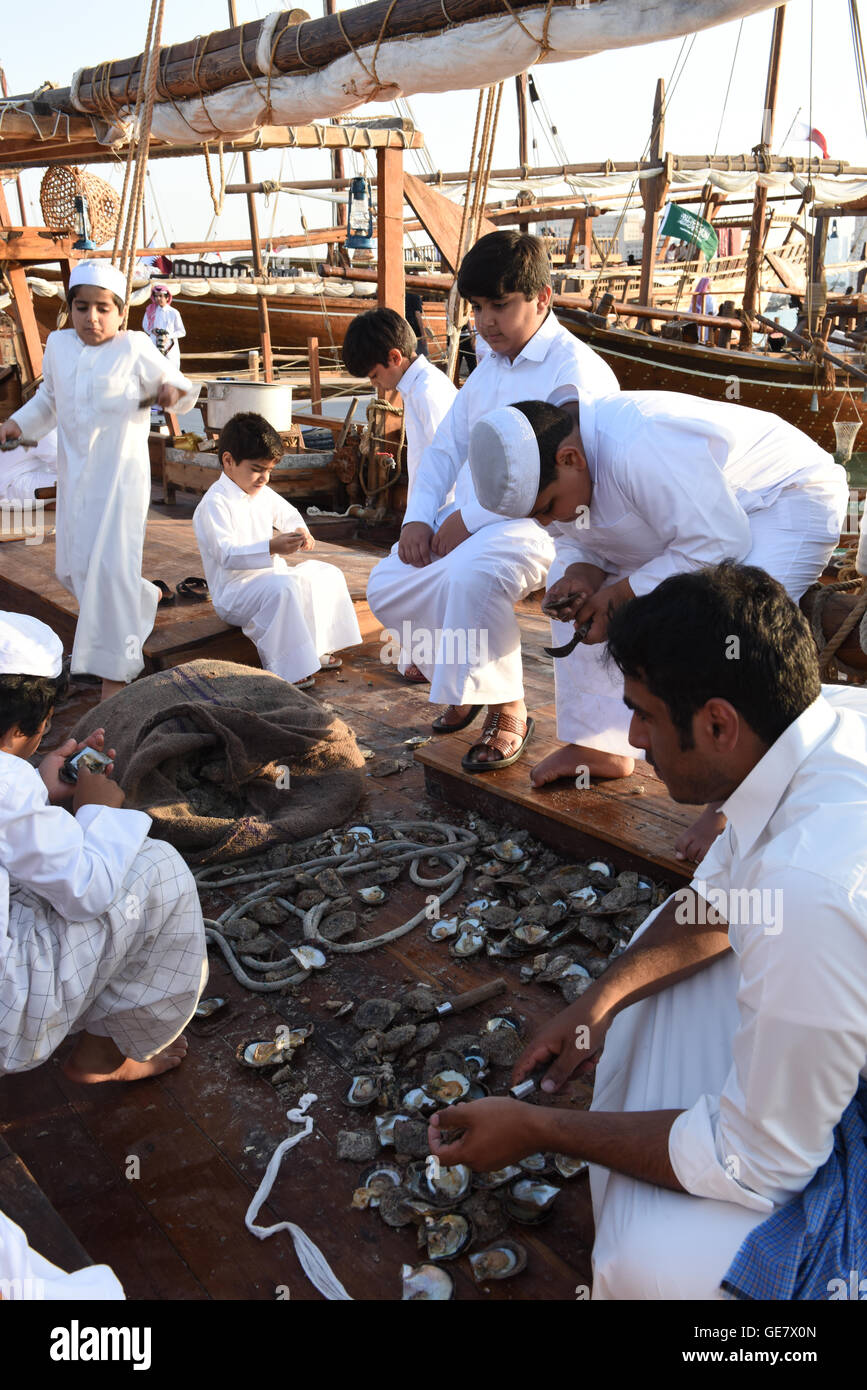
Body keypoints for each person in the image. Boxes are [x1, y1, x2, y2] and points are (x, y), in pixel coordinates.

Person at [428, 564, 867, 1300]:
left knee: (650, 1270)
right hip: (821, 960)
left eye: (643, 715)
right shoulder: (831, 721)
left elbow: (757, 1165)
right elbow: (719, 901)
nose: (631, 739)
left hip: (811, 1048)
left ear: (718, 723)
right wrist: (593, 1007)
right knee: (640, 991)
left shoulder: (810, 886)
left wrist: (539, 1129)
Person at [467, 389, 847, 857]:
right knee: (572, 608)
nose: (549, 521)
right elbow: (578, 536)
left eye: (547, 508)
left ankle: (731, 803)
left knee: (728, 636)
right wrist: (583, 574)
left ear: (571, 458)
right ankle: (599, 747)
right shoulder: (557, 461)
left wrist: (620, 595)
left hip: (782, 500)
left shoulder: (639, 443)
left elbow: (719, 540)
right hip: (696, 523)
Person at [366, 230, 619, 772]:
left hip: (556, 525)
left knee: (470, 577)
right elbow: (442, 451)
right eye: (478, 307)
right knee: (388, 581)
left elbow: (570, 474)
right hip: (486, 524)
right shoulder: (488, 372)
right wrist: (416, 518)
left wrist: (466, 517)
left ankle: (509, 708)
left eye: (501, 305)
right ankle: (466, 677)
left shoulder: (574, 372)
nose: (485, 321)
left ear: (543, 299)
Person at [0, 610, 207, 1083]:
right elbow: (87, 891)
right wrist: (99, 812)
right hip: (7, 1016)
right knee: (157, 868)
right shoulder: (8, 785)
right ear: (19, 729)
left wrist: (39, 789)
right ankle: (103, 1059)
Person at [0, 261, 200, 702]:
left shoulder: (134, 347)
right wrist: (17, 425)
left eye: (103, 309)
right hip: (75, 477)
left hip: (120, 480)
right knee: (72, 568)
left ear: (119, 312)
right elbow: (48, 400)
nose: (92, 318)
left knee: (109, 574)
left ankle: (116, 675)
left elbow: (181, 387)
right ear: (69, 309)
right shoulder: (59, 346)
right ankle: (140, 598)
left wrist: (171, 394)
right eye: (82, 307)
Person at [192, 412, 361, 688]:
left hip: (270, 576)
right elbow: (227, 554)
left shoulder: (259, 491)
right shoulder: (214, 504)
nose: (265, 478)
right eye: (258, 469)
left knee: (323, 573)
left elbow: (288, 513)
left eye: (269, 470)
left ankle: (315, 650)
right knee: (282, 589)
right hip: (235, 593)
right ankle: (290, 667)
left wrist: (300, 531)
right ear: (228, 461)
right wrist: (271, 547)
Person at [343, 306, 457, 684]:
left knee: (391, 584)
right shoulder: (421, 388)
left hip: (445, 513)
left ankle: (433, 659)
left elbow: (453, 461)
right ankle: (425, 657)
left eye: (376, 376)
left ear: (395, 358)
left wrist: (430, 522)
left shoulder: (427, 393)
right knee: (414, 584)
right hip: (433, 510)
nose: (377, 386)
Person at [142, 283, 186, 368]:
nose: (158, 298)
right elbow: (145, 326)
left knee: (172, 371)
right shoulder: (150, 311)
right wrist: (152, 331)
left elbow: (182, 332)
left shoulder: (174, 312)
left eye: (161, 296)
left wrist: (168, 336)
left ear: (167, 297)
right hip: (154, 345)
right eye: (156, 296)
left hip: (170, 347)